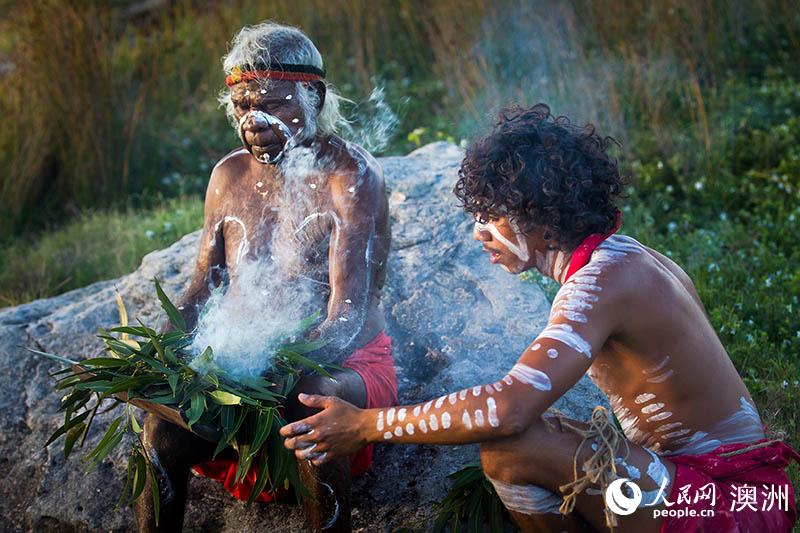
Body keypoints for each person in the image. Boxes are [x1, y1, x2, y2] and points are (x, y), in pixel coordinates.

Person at [280, 104, 799, 532]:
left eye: (492, 217)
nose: (479, 233)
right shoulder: (623, 259)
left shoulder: (601, 283)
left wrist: (366, 425)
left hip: (729, 506)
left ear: (543, 220)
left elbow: (507, 409)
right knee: (537, 433)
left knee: (513, 448)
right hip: (737, 494)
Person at [136, 23, 397, 533]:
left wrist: (264, 371)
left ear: (313, 96)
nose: (253, 121)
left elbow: (347, 317)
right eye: (240, 107)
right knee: (158, 432)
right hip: (241, 373)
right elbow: (199, 294)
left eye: (274, 104)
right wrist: (162, 358)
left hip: (344, 364)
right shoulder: (228, 177)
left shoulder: (350, 178)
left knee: (310, 402)